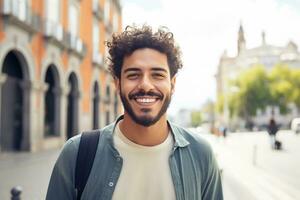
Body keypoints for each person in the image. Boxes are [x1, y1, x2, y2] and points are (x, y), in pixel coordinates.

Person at [46, 25, 223, 200]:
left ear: (173, 84)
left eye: (157, 75)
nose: (145, 85)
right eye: (133, 75)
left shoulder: (201, 155)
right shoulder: (76, 153)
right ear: (117, 83)